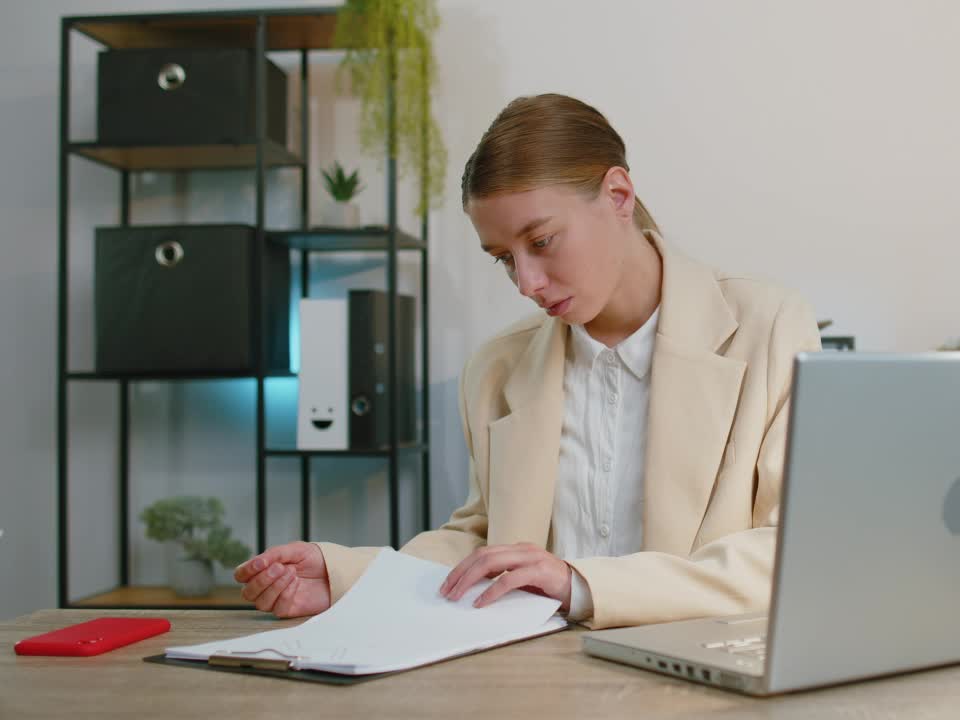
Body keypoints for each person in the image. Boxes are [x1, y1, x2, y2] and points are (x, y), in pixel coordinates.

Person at [234, 93, 819, 630]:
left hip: (699, 677)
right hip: (534, 684)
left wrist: (580, 585)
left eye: (540, 243)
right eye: (504, 259)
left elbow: (795, 549)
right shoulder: (495, 369)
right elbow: (485, 546)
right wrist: (346, 580)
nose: (527, 283)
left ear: (619, 196)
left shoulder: (769, 328)